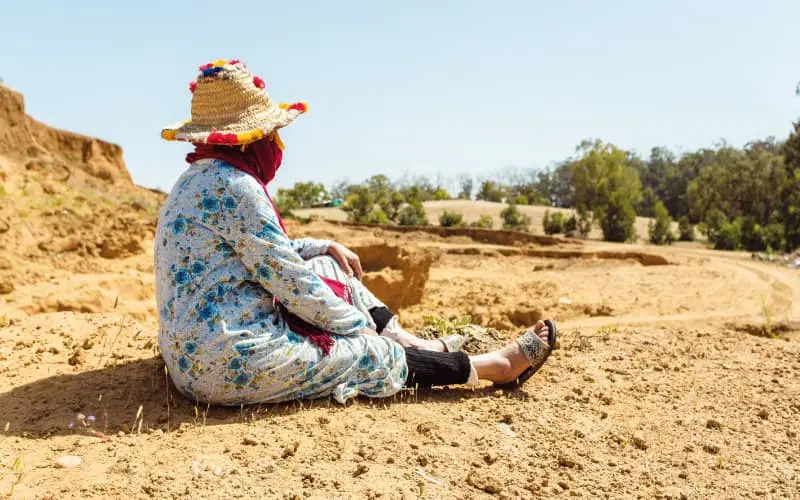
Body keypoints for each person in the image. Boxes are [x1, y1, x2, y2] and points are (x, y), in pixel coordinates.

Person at [156, 59, 557, 405]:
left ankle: (409, 342)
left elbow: (263, 251)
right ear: (250, 141)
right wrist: (357, 326)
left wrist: (325, 245)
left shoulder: (197, 180)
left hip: (196, 352)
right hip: (226, 361)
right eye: (272, 134)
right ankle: (491, 367)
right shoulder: (236, 187)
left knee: (325, 263)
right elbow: (289, 280)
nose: (277, 144)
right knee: (367, 354)